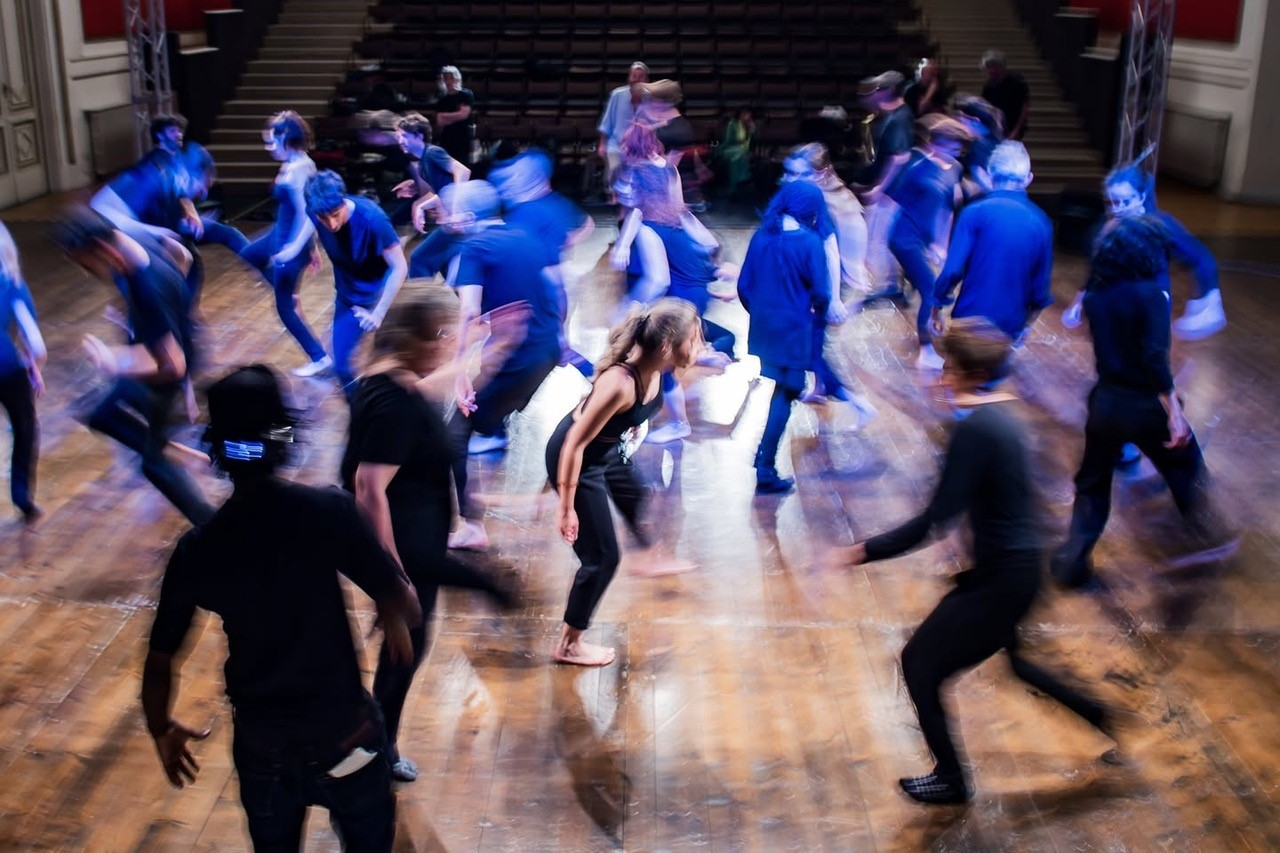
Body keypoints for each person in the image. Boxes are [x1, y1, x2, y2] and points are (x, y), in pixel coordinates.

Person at [833, 318, 1116, 805]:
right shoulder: (1006, 415)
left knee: (919, 664)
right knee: (1018, 663)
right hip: (1016, 570)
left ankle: (952, 779)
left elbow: (935, 519)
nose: (943, 376)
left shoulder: (977, 430)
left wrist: (860, 552)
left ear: (972, 373)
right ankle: (1100, 715)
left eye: (950, 368)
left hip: (1000, 581)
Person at [143, 365, 421, 851]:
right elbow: (404, 600)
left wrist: (162, 727)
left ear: (217, 450)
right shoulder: (325, 511)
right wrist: (393, 609)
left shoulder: (200, 549)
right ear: (285, 437)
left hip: (264, 747)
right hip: (345, 735)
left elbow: (161, 656)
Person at [342, 286, 515, 783]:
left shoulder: (389, 378)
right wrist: (392, 581)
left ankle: (378, 746)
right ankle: (373, 753)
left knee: (404, 653)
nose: (450, 344)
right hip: (405, 550)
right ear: (421, 338)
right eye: (446, 335)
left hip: (415, 540)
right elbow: (367, 488)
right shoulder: (393, 402)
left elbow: (424, 392)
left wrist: (484, 352)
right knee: (404, 653)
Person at [1051, 217, 1238, 588]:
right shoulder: (1153, 294)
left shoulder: (1097, 295)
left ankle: (1072, 563)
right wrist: (1174, 412)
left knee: (1092, 485)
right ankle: (1204, 541)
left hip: (1105, 403)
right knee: (1185, 468)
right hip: (1146, 405)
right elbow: (1154, 358)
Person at [548, 298, 702, 666]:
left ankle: (649, 556)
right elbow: (573, 444)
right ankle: (569, 643)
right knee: (601, 558)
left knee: (637, 496)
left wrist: (627, 427)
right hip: (579, 460)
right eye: (694, 341)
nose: (700, 348)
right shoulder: (620, 383)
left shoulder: (658, 370)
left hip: (606, 452)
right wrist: (566, 508)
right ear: (666, 346)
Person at [51, 207, 215, 525]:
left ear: (104, 250)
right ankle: (172, 448)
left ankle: (212, 526)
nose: (86, 272)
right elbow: (181, 253)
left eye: (86, 263)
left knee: (153, 465)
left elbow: (173, 366)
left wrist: (115, 360)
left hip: (165, 375)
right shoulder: (134, 238)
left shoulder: (148, 287)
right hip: (165, 346)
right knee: (101, 413)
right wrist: (177, 306)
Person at [440, 181, 563, 550]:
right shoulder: (526, 237)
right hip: (545, 351)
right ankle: (493, 431)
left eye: (450, 211)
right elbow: (557, 289)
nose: (445, 218)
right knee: (488, 410)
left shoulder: (473, 248)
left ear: (466, 217)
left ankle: (472, 526)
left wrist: (459, 374)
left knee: (455, 432)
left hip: (518, 358)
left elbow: (469, 311)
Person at [203, 112, 330, 377]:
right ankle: (286, 290)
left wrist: (298, 249)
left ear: (286, 138)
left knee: (284, 308)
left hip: (287, 245)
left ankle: (319, 357)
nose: (269, 148)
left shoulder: (298, 168)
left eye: (272, 142)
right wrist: (311, 247)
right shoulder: (295, 162)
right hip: (278, 235)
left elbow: (308, 213)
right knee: (249, 254)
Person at [620, 163, 736, 444]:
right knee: (664, 355)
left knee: (662, 363)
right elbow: (711, 245)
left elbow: (658, 280)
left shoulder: (648, 228)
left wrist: (632, 307)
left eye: (631, 186)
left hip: (679, 300)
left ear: (642, 192)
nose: (626, 191)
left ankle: (677, 423)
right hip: (697, 296)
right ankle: (701, 352)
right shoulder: (681, 216)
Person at [736, 182, 832, 494]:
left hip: (765, 327)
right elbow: (822, 293)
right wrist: (816, 317)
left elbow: (744, 286)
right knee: (787, 393)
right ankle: (765, 468)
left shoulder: (762, 236)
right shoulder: (809, 242)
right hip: (794, 329)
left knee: (783, 388)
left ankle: (762, 456)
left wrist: (762, 313)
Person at [779, 144, 878, 426]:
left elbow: (834, 255)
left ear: (820, 173)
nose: (789, 179)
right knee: (816, 342)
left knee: (821, 348)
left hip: (838, 285)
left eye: (798, 174)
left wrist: (836, 299)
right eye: (788, 172)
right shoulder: (833, 194)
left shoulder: (826, 204)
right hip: (838, 282)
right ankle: (820, 389)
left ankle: (858, 401)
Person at [931, 142, 1052, 358]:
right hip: (1009, 327)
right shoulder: (1041, 222)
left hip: (969, 320)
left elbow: (952, 271)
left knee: (959, 374)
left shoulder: (974, 213)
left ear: (989, 175)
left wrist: (937, 306)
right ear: (1028, 178)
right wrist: (1025, 327)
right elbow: (1040, 290)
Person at [304, 170, 408, 401]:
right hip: (349, 298)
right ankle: (360, 414)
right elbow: (311, 223)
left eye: (335, 214)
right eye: (323, 218)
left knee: (396, 369)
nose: (331, 224)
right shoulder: (314, 211)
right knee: (342, 368)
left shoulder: (372, 219)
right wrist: (312, 248)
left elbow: (399, 266)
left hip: (384, 296)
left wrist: (379, 312)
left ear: (343, 201)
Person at [1095, 163, 1226, 340]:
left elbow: (1200, 257)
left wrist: (1209, 300)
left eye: (1125, 201)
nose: (1118, 208)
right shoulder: (1117, 225)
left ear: (1141, 197)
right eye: (1113, 202)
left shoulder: (1160, 226)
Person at [884, 114, 972, 370]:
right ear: (933, 143)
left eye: (956, 149)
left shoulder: (955, 169)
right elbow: (890, 204)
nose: (952, 153)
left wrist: (940, 244)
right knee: (931, 291)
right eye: (947, 147)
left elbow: (948, 210)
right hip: (903, 238)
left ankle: (933, 321)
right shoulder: (916, 167)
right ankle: (926, 351)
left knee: (935, 288)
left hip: (924, 240)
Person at [0, 221, 46, 524]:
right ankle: (22, 497)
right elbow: (36, 343)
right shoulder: (11, 279)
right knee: (24, 426)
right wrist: (34, 367)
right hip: (6, 368)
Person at [854, 71, 914, 295]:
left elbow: (900, 157)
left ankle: (886, 284)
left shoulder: (900, 118)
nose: (873, 93)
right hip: (891, 189)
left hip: (894, 190)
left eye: (878, 89)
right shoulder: (893, 116)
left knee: (878, 238)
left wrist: (880, 187)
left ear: (889, 90)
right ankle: (888, 283)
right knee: (878, 237)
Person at [393, 113, 472, 281]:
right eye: (398, 136)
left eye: (404, 136)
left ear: (419, 136)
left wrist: (455, 206)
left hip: (457, 220)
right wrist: (413, 188)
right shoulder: (423, 162)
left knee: (420, 259)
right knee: (442, 264)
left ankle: (420, 296)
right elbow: (440, 187)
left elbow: (463, 171)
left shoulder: (432, 152)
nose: (400, 140)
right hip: (450, 221)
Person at [597, 62, 650, 188]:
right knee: (614, 168)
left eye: (640, 76)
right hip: (616, 145)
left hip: (640, 148)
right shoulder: (617, 95)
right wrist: (602, 144)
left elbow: (655, 127)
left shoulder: (651, 97)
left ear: (646, 80)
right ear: (629, 77)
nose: (637, 79)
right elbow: (606, 123)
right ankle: (613, 194)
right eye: (634, 76)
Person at [981, 51, 1030, 141]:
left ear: (1002, 67)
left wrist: (1017, 130)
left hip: (1012, 125)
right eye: (988, 67)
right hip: (997, 129)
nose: (991, 70)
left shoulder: (1016, 82)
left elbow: (1024, 107)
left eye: (994, 66)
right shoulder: (988, 87)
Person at [433, 66, 475, 167]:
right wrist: (455, 116)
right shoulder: (442, 99)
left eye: (451, 78)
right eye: (445, 78)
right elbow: (439, 121)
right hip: (447, 137)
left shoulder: (466, 94)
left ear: (457, 78)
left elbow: (463, 115)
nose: (448, 81)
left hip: (463, 136)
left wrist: (444, 116)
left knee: (463, 165)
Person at [717, 105, 756, 200]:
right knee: (737, 157)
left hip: (741, 150)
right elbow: (731, 140)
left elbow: (750, 141)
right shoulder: (733, 124)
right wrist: (747, 136)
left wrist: (750, 132)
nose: (748, 116)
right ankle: (739, 182)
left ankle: (737, 184)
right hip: (730, 149)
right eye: (746, 114)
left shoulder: (745, 124)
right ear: (741, 114)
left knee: (741, 156)